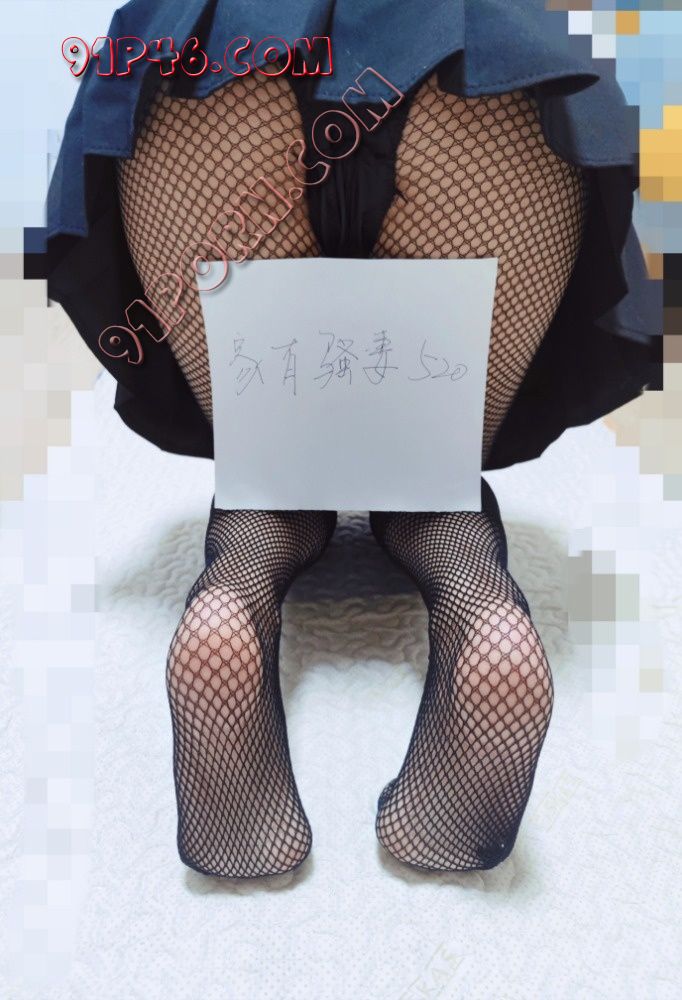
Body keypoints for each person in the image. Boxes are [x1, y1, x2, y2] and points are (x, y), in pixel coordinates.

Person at [47, 0, 662, 878]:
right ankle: (480, 603)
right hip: (477, 69)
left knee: (270, 474)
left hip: (221, 63)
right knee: (432, 474)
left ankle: (236, 588)